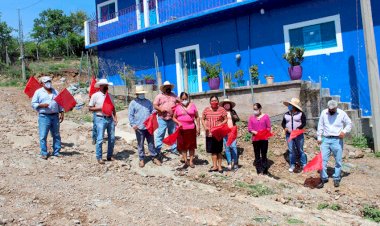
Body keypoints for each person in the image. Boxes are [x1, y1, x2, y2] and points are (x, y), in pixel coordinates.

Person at [317, 100, 352, 188]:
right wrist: (319, 137)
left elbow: (349, 123)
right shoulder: (324, 113)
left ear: (336, 107)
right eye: (330, 109)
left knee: (338, 160)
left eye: (333, 109)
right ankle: (324, 178)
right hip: (326, 139)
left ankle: (336, 178)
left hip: (337, 140)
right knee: (323, 159)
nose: (331, 111)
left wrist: (344, 131)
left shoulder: (342, 113)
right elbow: (320, 125)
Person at [31, 76, 64, 159]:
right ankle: (44, 153)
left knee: (56, 135)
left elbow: (60, 102)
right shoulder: (38, 92)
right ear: (41, 83)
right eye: (46, 82)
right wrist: (41, 105)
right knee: (43, 136)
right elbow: (33, 103)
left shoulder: (55, 91)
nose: (48, 83)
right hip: (44, 116)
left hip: (55, 116)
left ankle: (56, 152)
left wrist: (62, 112)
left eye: (49, 81)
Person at [128, 85, 161, 167]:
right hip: (139, 127)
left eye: (142, 93)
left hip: (148, 126)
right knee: (140, 143)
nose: (142, 94)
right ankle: (142, 159)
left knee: (151, 142)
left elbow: (152, 110)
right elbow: (130, 115)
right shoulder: (133, 103)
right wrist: (133, 124)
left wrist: (155, 112)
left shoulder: (148, 102)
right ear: (137, 94)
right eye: (140, 93)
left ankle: (154, 157)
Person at [89, 78, 118, 164]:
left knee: (112, 138)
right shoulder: (95, 95)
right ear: (101, 86)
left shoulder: (110, 96)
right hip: (100, 118)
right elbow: (90, 108)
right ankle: (99, 157)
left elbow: (113, 108)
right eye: (105, 85)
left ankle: (109, 156)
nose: (106, 87)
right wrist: (100, 108)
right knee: (100, 139)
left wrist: (115, 118)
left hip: (110, 119)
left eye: (107, 85)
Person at [172, 92, 200, 168]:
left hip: (191, 128)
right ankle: (185, 161)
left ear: (188, 98)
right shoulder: (177, 107)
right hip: (181, 130)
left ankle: (191, 161)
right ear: (180, 99)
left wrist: (198, 127)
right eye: (183, 99)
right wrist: (178, 122)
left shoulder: (193, 105)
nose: (184, 100)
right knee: (183, 146)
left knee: (191, 146)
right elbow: (174, 117)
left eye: (185, 98)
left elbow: (197, 117)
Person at [202, 96, 227, 173]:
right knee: (213, 150)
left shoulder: (222, 109)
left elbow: (226, 119)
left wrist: (221, 124)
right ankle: (214, 166)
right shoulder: (206, 109)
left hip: (218, 133)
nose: (214, 102)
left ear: (218, 101)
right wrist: (205, 126)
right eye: (212, 101)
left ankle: (219, 167)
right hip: (209, 133)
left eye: (215, 100)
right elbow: (202, 119)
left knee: (219, 150)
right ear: (210, 102)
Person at [153, 81, 178, 156]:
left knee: (172, 134)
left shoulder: (174, 95)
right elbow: (155, 105)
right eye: (166, 87)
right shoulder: (159, 96)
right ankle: (158, 150)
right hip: (162, 118)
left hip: (171, 118)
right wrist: (160, 109)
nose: (168, 88)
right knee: (160, 134)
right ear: (163, 88)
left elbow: (178, 102)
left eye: (169, 87)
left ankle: (174, 149)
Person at [282, 98, 307, 172]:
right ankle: (292, 165)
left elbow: (304, 122)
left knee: (300, 149)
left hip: (298, 135)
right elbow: (283, 123)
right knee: (291, 150)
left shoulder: (301, 113)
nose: (289, 106)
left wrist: (299, 128)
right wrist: (285, 127)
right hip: (289, 135)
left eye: (290, 105)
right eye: (289, 105)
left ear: (294, 106)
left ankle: (304, 164)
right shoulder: (286, 114)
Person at [248, 103, 271, 174]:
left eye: (256, 109)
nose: (255, 111)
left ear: (260, 109)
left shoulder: (266, 117)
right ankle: (258, 169)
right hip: (255, 139)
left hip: (264, 139)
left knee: (264, 153)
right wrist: (254, 132)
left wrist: (263, 132)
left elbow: (269, 127)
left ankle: (264, 169)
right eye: (254, 109)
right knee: (257, 154)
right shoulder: (251, 118)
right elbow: (249, 128)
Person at [219, 98, 240, 171]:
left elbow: (237, 119)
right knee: (227, 147)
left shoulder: (233, 111)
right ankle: (229, 163)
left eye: (228, 103)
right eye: (225, 104)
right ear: (223, 105)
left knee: (233, 147)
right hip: (225, 131)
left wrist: (235, 117)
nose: (227, 105)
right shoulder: (221, 112)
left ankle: (236, 163)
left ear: (230, 105)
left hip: (232, 131)